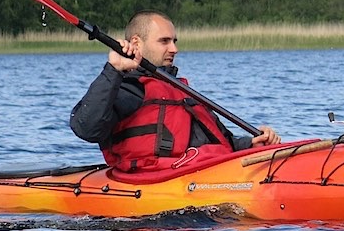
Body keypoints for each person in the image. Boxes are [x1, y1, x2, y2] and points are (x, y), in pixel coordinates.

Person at [70, 10, 280, 173]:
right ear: (136, 43)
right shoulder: (129, 90)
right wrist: (114, 69)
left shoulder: (180, 90)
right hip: (156, 184)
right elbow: (86, 128)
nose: (174, 49)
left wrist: (250, 143)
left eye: (174, 41)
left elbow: (217, 141)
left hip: (202, 174)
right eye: (164, 41)